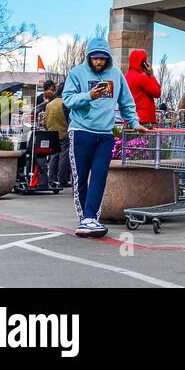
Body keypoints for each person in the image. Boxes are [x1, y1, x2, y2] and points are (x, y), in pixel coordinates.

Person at [62, 37, 140, 238]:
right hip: (81, 131)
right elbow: (68, 99)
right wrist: (89, 95)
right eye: (95, 58)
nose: (99, 62)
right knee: (80, 177)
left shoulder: (116, 74)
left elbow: (126, 101)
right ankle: (85, 218)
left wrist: (134, 122)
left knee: (99, 176)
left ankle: (91, 218)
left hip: (105, 134)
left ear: (108, 59)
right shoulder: (76, 73)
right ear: (89, 57)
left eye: (103, 59)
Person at [42, 86, 71, 190]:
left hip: (51, 134)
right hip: (63, 133)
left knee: (54, 156)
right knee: (64, 156)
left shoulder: (49, 104)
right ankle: (62, 180)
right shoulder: (65, 103)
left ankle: (51, 179)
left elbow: (44, 120)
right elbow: (69, 119)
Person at [125, 49, 162, 125]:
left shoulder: (126, 77)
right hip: (144, 118)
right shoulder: (141, 78)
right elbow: (157, 93)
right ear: (142, 62)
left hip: (130, 117)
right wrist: (151, 75)